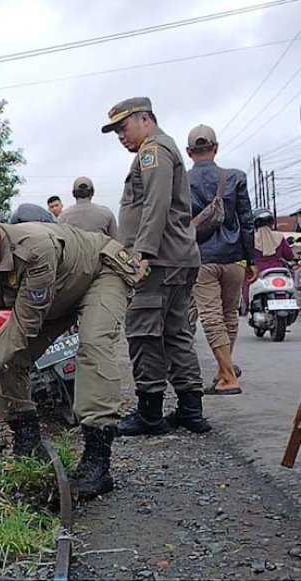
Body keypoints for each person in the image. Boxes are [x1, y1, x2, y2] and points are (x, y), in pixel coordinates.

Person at [0, 194, 144, 499]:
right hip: (54, 297)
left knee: (94, 345)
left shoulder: (35, 249)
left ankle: (97, 462)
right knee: (5, 360)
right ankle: (28, 446)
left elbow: (23, 327)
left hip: (99, 274)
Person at [101, 96, 210, 436]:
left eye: (124, 126)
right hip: (177, 257)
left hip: (159, 260)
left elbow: (156, 204)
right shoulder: (162, 149)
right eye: (116, 131)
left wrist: (142, 253)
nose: (121, 135)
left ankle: (150, 415)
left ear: (145, 119)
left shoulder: (153, 151)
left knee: (143, 332)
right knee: (177, 334)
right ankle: (191, 410)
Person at [186, 124, 257, 396]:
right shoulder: (235, 177)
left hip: (202, 258)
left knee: (212, 317)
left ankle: (228, 376)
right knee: (229, 316)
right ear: (216, 147)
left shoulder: (183, 182)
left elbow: (179, 223)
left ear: (189, 151)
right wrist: (251, 260)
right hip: (235, 259)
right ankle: (223, 370)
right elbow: (246, 221)